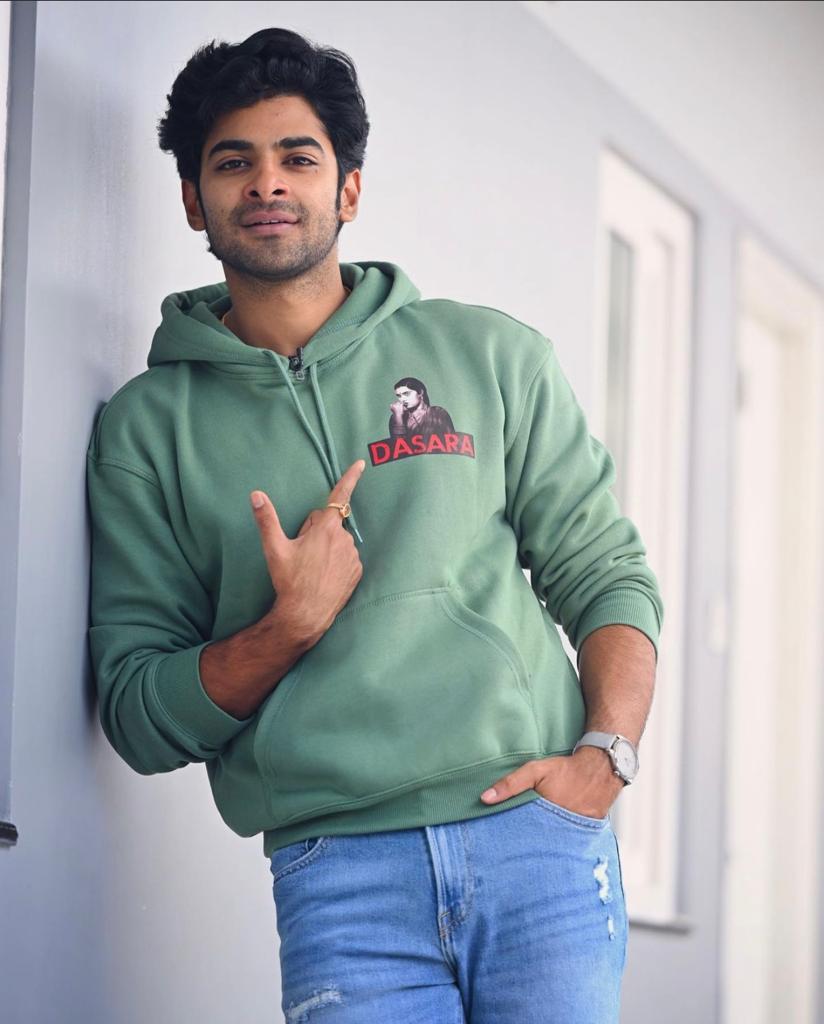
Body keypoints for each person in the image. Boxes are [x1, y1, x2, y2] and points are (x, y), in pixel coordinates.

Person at [85, 26, 664, 1024]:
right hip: (340, 875)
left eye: (297, 157)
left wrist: (604, 756)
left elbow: (606, 573)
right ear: (193, 200)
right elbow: (138, 713)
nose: (268, 182)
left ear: (348, 189)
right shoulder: (147, 430)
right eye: (233, 162)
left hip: (536, 838)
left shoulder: (490, 356)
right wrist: (287, 628)